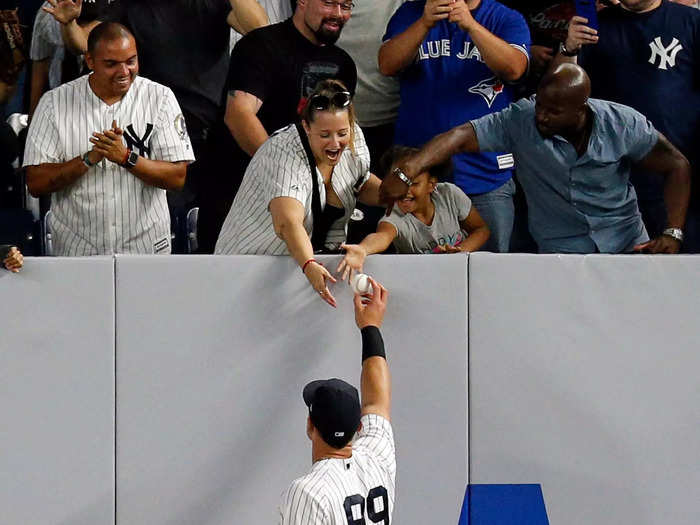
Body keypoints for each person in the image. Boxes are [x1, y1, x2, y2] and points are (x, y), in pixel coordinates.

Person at [380, 64, 691, 254]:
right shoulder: (521, 119)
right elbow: (461, 135)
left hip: (626, 240)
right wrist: (411, 168)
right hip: (562, 246)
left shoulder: (623, 123)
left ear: (581, 109)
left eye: (553, 112)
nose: (541, 116)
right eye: (540, 105)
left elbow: (677, 165)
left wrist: (672, 231)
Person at [43, 0, 269, 252]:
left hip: (213, 132)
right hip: (158, 135)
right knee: (169, 229)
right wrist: (69, 22)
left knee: (217, 233)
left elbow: (259, 29)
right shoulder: (130, 6)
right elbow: (85, 43)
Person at [23, 23, 194, 255]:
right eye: (112, 64)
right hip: (78, 250)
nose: (124, 72)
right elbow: (36, 183)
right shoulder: (54, 103)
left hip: (146, 248)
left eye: (131, 61)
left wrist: (126, 158)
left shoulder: (160, 97)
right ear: (90, 61)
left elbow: (177, 177)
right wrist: (87, 160)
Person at [379, 0, 530, 253]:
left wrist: (470, 25)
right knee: (416, 274)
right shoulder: (411, 13)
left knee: (489, 271)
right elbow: (387, 64)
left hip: (484, 173)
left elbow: (515, 68)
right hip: (419, 175)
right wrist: (425, 22)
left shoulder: (504, 17)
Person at [215, 80, 383, 308]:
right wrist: (308, 264)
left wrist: (395, 194)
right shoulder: (282, 151)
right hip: (247, 268)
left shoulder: (355, 139)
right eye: (325, 135)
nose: (336, 142)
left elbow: (360, 183)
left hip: (310, 270)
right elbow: (287, 222)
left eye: (342, 132)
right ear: (306, 127)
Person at [214, 0, 358, 253]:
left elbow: (343, 136)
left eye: (346, 6)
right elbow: (238, 116)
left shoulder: (344, 63)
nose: (338, 14)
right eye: (329, 3)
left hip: (309, 208)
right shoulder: (260, 45)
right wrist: (292, 173)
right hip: (243, 197)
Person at [560, 0, 700, 252]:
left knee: (683, 271)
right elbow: (560, 92)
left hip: (681, 170)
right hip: (614, 177)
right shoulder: (596, 26)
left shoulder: (690, 21)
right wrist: (568, 49)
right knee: (620, 276)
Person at [279, 277, 395, 525]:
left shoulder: (309, 492)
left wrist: (370, 326)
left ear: (310, 425)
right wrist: (371, 326)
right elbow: (377, 400)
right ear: (359, 428)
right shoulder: (377, 459)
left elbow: (376, 402)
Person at [338, 146, 489, 278]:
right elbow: (381, 236)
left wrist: (460, 253)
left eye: (414, 184)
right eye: (398, 183)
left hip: (462, 275)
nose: (404, 191)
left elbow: (481, 230)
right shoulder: (393, 216)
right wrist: (363, 249)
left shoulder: (449, 194)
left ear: (431, 185)